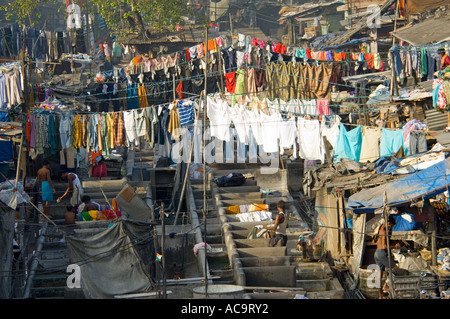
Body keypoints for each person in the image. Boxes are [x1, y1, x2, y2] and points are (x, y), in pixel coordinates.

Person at [374, 215, 400, 299]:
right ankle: (386, 286)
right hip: (382, 253)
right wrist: (395, 246)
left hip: (377, 253)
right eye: (391, 226)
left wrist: (391, 230)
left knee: (379, 274)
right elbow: (385, 246)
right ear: (388, 223)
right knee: (394, 268)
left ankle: (380, 295)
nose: (391, 228)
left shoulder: (379, 229)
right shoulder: (384, 231)